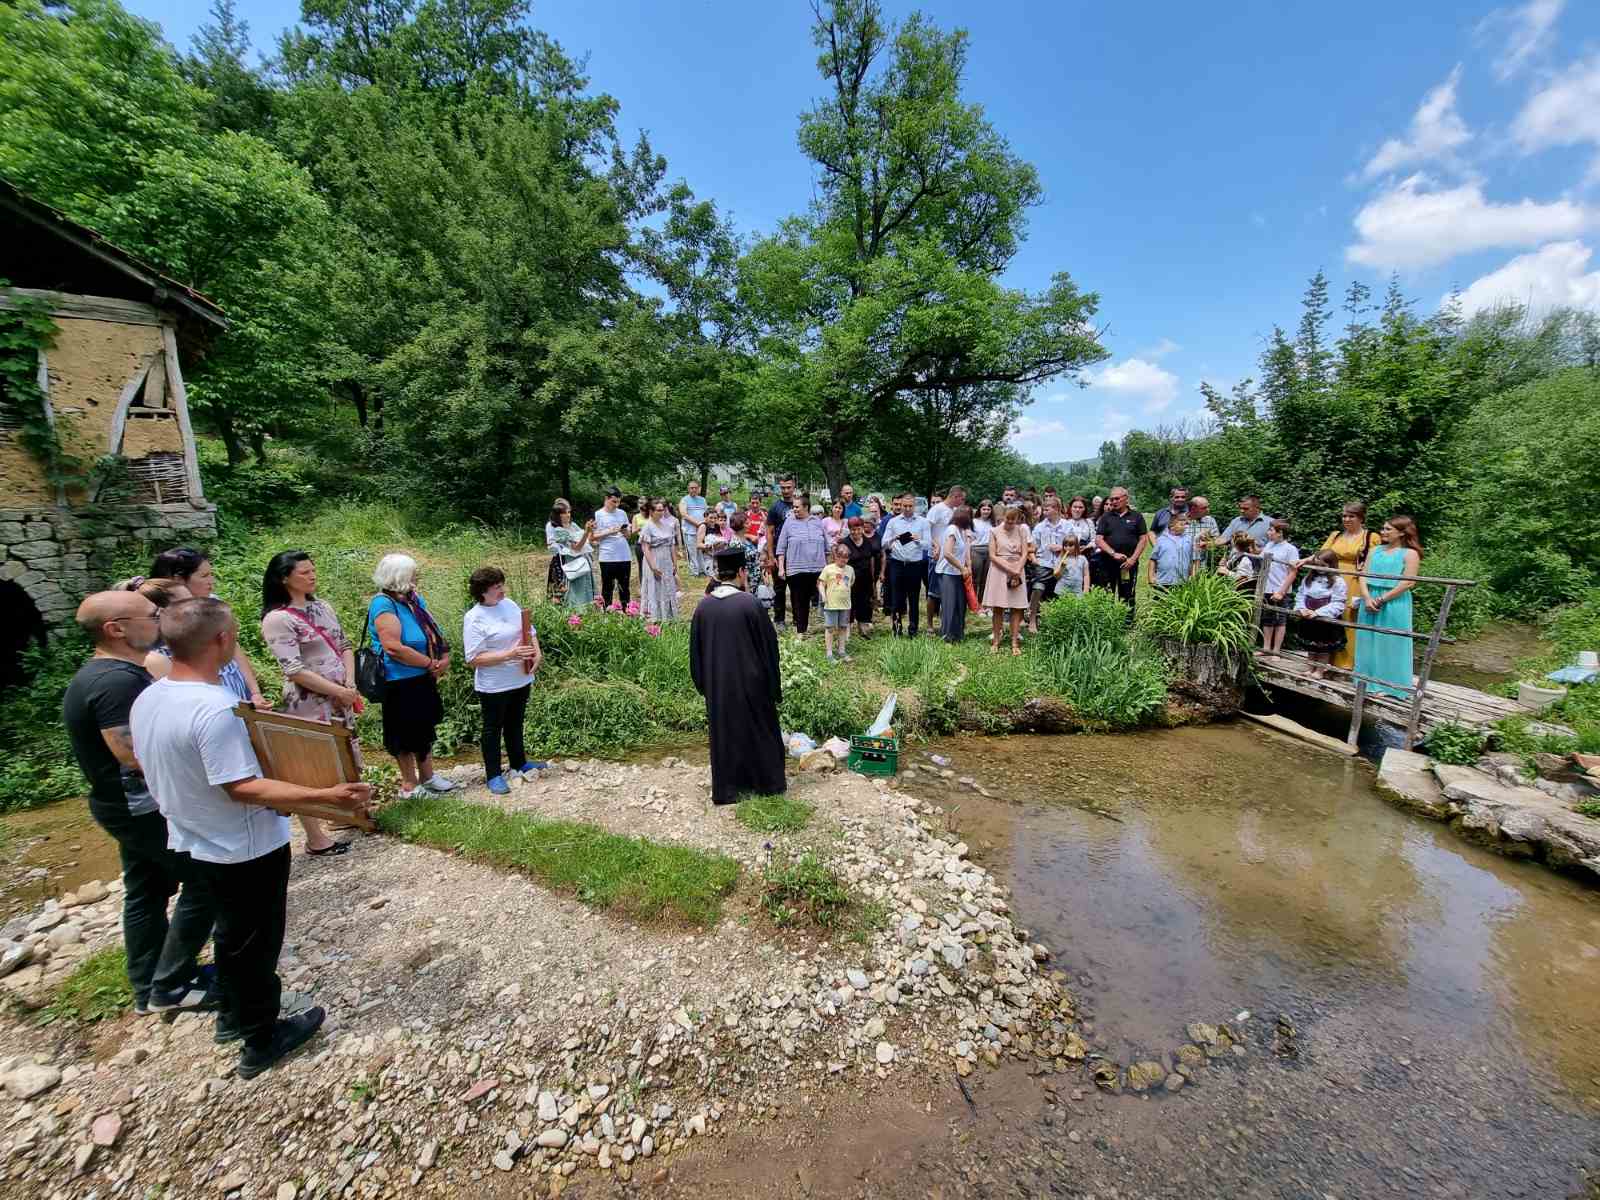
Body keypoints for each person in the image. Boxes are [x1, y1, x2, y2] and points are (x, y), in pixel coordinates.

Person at [131, 596, 369, 1078]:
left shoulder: (150, 696)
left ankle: (233, 1018)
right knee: (255, 943)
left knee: (232, 935)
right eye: (234, 633)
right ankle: (261, 1037)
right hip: (242, 846)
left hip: (193, 837)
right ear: (220, 640)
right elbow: (242, 786)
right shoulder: (217, 709)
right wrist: (328, 794)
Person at [63, 591, 216, 1017]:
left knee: (146, 891)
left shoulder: (113, 674)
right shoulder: (114, 683)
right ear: (117, 629)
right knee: (207, 880)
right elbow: (135, 755)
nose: (161, 621)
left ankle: (148, 982)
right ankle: (173, 983)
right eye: (152, 615)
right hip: (141, 808)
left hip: (125, 806)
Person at [259, 551, 360, 856]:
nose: (311, 576)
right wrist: (336, 690)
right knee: (311, 763)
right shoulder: (278, 619)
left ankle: (346, 813)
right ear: (284, 578)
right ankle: (316, 835)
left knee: (346, 751)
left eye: (313, 570)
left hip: (341, 694)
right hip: (308, 701)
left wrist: (350, 684)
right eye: (303, 572)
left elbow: (343, 645)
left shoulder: (322, 606)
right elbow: (293, 668)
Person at [689, 546, 786, 805]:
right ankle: (767, 784)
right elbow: (769, 649)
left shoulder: (703, 608)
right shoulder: (751, 604)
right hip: (753, 686)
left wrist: (706, 685)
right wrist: (773, 686)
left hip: (718, 687)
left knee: (726, 737)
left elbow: (695, 655)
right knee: (759, 732)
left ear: (719, 573)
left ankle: (728, 790)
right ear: (742, 572)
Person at [368, 554, 458, 799]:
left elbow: (432, 630)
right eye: (413, 573)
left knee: (423, 727)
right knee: (403, 732)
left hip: (421, 676)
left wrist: (443, 657)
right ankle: (410, 785)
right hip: (399, 680)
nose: (418, 576)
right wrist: (430, 663)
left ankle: (428, 777)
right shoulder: (383, 604)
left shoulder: (414, 599)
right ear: (399, 577)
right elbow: (393, 647)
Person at [149, 548, 270, 710]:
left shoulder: (213, 602)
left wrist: (255, 692)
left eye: (211, 574)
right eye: (204, 576)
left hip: (235, 686)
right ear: (178, 579)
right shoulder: (157, 617)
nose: (212, 581)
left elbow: (233, 646)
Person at [463, 567, 543, 795]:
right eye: (496, 587)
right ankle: (494, 774)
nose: (502, 590)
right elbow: (473, 658)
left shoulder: (510, 604)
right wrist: (509, 655)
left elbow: (529, 630)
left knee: (515, 723)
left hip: (520, 677)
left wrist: (537, 652)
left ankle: (519, 762)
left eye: (501, 585)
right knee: (492, 728)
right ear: (482, 592)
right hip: (494, 684)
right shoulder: (474, 618)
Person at [1311, 501, 1383, 675]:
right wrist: (1303, 561)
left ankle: (1347, 664)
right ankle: (1326, 662)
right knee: (1329, 618)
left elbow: (1376, 560)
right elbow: (1321, 554)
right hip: (1332, 580)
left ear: (1361, 518)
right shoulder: (1336, 535)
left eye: (1351, 516)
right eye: (1344, 515)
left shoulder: (1370, 537)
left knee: (1349, 619)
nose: (1346, 519)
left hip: (1356, 580)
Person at [1356, 517, 1422, 699]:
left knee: (1390, 641)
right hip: (1369, 597)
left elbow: (1408, 582)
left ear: (1401, 532)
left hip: (1394, 600)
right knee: (1367, 639)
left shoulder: (1410, 554)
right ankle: (1366, 680)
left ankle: (1390, 685)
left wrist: (1381, 599)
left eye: (1388, 529)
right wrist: (1367, 597)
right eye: (1383, 529)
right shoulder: (1375, 551)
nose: (1383, 532)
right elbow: (1363, 574)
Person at [775, 493, 827, 640]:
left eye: (797, 507)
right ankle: (800, 631)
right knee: (800, 601)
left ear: (806, 507)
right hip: (796, 570)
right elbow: (781, 548)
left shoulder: (817, 522)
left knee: (825, 598)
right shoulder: (789, 522)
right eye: (793, 507)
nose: (794, 510)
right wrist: (781, 567)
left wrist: (829, 567)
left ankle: (831, 630)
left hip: (818, 569)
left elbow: (827, 547)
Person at [880, 493, 931, 638]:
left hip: (915, 564)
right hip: (897, 563)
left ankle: (913, 629)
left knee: (914, 598)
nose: (907, 509)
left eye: (910, 506)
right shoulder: (893, 522)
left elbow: (928, 545)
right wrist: (893, 538)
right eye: (905, 506)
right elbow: (883, 544)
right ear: (900, 505)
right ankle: (896, 628)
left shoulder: (923, 522)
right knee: (897, 597)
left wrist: (918, 540)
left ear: (914, 506)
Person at [1293, 551, 1348, 678]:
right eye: (1317, 565)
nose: (1320, 568)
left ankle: (1320, 670)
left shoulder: (1337, 581)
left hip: (1324, 617)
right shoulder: (1308, 578)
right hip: (1308, 615)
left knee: (1323, 646)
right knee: (1311, 644)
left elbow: (1338, 602)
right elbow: (1301, 594)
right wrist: (1302, 608)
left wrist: (1318, 613)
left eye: (1323, 565)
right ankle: (1310, 667)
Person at [984, 504, 1029, 655]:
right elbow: (992, 555)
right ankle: (996, 640)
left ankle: (1014, 641)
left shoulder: (1022, 530)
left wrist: (1017, 569)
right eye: (1007, 519)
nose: (1010, 523)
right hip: (1000, 570)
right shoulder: (994, 531)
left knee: (1017, 608)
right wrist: (1010, 569)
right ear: (1003, 517)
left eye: (1013, 520)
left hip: (1018, 569)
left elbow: (1025, 552)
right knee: (998, 607)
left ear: (1018, 519)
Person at [1094, 486, 1149, 611]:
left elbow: (1143, 539)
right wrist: (1113, 554)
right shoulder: (1106, 517)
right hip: (1108, 563)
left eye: (1116, 499)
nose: (1113, 502)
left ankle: (1127, 623)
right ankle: (1109, 622)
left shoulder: (1137, 517)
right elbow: (1099, 540)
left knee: (1127, 594)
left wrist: (1133, 559)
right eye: (1111, 499)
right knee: (1107, 594)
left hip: (1129, 564)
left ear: (1126, 499)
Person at [925, 485, 964, 631]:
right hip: (936, 557)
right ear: (955, 496)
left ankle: (945, 624)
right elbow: (925, 529)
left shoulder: (954, 511)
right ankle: (929, 625)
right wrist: (935, 545)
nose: (963, 501)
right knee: (933, 593)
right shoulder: (937, 509)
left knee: (946, 594)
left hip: (950, 559)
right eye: (962, 498)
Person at [1027, 495, 1069, 632]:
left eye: (1047, 509)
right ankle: (1032, 619)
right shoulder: (1039, 527)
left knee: (1058, 592)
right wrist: (1034, 560)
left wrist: (1061, 548)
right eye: (1043, 509)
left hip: (1062, 564)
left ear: (1056, 509)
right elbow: (1032, 546)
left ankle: (1055, 620)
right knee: (1038, 588)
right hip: (1043, 564)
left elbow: (1075, 546)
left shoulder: (1068, 526)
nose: (1044, 512)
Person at [1259, 520, 1300, 655]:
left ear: (1280, 533)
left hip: (1280, 589)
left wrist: (1281, 592)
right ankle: (1266, 648)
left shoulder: (1290, 549)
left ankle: (1276, 651)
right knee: (1267, 619)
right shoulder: (1269, 545)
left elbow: (1293, 572)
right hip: (1266, 588)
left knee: (1280, 620)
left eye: (1271, 530)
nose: (1268, 532)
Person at [547, 503, 596, 610]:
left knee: (587, 588)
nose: (567, 515)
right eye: (564, 513)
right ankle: (576, 615)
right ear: (558, 515)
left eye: (568, 512)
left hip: (583, 560)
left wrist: (590, 531)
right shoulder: (559, 531)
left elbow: (587, 542)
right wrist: (586, 532)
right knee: (576, 591)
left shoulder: (573, 525)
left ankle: (589, 613)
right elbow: (576, 547)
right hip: (574, 563)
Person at [937, 505, 974, 644]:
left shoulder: (962, 531)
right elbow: (947, 553)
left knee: (960, 604)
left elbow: (965, 551)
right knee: (949, 605)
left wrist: (968, 566)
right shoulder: (952, 530)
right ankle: (947, 636)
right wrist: (962, 567)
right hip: (948, 573)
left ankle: (958, 634)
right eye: (969, 516)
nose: (971, 519)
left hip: (958, 573)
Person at [640, 498, 682, 620]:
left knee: (668, 587)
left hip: (667, 560)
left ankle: (669, 616)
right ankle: (655, 617)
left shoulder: (668, 525)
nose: (661, 512)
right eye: (658, 510)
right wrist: (653, 567)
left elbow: (672, 546)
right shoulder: (648, 526)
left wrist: (675, 563)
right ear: (651, 511)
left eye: (662, 510)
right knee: (655, 587)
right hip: (654, 560)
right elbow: (646, 548)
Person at [765, 475, 796, 630]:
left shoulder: (800, 505)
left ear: (794, 487)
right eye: (783, 487)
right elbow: (769, 532)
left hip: (797, 554)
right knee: (779, 588)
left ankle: (799, 618)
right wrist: (771, 556)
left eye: (788, 487)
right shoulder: (775, 507)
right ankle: (779, 619)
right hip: (779, 553)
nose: (786, 490)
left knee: (797, 588)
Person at [593, 488, 634, 608]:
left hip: (624, 555)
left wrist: (625, 531)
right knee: (607, 587)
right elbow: (593, 537)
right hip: (607, 556)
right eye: (613, 501)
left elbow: (628, 536)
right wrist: (609, 532)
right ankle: (607, 612)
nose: (616, 505)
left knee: (625, 587)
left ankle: (628, 612)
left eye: (618, 502)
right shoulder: (598, 514)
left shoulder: (622, 513)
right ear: (606, 499)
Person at [819, 542, 856, 661]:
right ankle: (829, 653)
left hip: (845, 605)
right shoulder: (828, 569)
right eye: (841, 557)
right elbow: (820, 583)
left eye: (846, 558)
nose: (843, 560)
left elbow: (851, 583)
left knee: (843, 627)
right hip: (831, 605)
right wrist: (824, 595)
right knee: (830, 628)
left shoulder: (850, 569)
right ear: (836, 556)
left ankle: (842, 650)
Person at [843, 515, 879, 637]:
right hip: (850, 581)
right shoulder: (845, 543)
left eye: (858, 529)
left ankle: (862, 630)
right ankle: (846, 632)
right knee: (849, 605)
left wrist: (873, 580)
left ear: (862, 528)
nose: (856, 532)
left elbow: (871, 561)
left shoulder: (868, 543)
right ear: (849, 529)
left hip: (866, 579)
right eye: (853, 529)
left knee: (864, 604)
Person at [1146, 513, 1198, 590]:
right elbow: (1153, 559)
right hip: (1163, 581)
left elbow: (1195, 560)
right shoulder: (1161, 540)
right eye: (1181, 524)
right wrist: (1151, 577)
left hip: (1183, 581)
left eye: (1185, 524)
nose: (1185, 527)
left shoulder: (1189, 539)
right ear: (1172, 526)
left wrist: (1193, 577)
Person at [679, 481, 709, 577]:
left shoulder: (702, 500)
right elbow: (684, 514)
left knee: (700, 550)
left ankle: (702, 570)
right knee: (692, 552)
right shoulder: (684, 500)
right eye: (692, 488)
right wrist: (698, 524)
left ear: (699, 488)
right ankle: (694, 572)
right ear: (688, 489)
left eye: (696, 488)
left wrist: (703, 525)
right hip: (689, 530)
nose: (694, 490)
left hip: (701, 530)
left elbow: (706, 514)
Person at [970, 499, 994, 610]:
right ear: (980, 509)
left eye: (988, 509)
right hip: (976, 549)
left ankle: (981, 602)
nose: (986, 511)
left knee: (985, 579)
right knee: (976, 579)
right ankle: (973, 603)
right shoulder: (974, 522)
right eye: (984, 509)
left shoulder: (993, 523)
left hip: (989, 550)